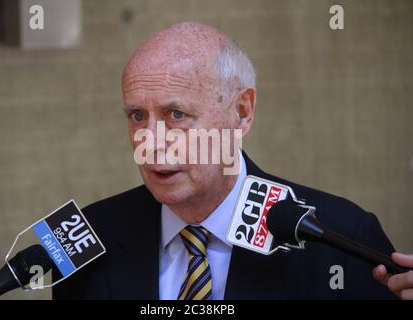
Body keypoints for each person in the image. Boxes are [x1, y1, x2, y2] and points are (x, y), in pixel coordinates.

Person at [53, 22, 406, 300]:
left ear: (241, 112)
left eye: (176, 114)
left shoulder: (340, 239)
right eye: (136, 116)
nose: (151, 141)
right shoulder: (90, 237)